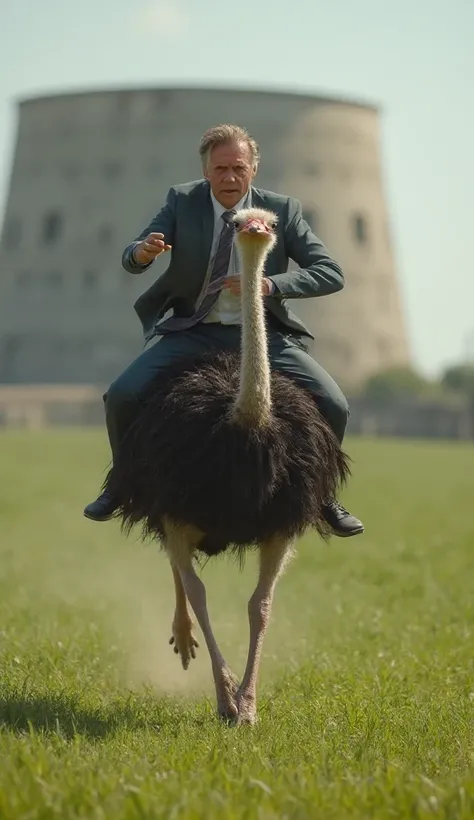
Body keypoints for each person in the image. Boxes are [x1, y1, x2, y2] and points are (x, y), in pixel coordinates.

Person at [84, 123, 364, 538]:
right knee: (123, 394)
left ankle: (323, 496)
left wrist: (272, 285)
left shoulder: (282, 211)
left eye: (238, 168)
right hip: (193, 330)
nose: (229, 178)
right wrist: (142, 253)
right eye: (220, 169)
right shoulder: (182, 201)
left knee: (335, 403)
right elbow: (132, 255)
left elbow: (331, 272)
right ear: (205, 171)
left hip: (261, 334)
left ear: (253, 169)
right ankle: (119, 485)